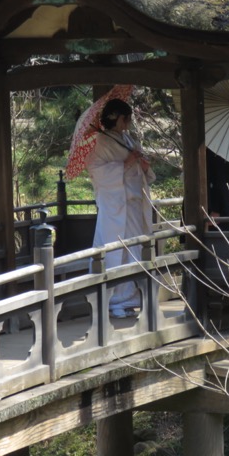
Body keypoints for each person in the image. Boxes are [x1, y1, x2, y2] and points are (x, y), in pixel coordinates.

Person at [86, 98, 155, 318]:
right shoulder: (101, 142)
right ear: (118, 119)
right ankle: (113, 300)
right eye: (127, 119)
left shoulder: (127, 139)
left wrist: (143, 165)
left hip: (133, 203)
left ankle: (132, 296)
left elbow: (142, 172)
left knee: (135, 249)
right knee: (116, 249)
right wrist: (125, 163)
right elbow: (96, 171)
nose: (129, 123)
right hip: (115, 205)